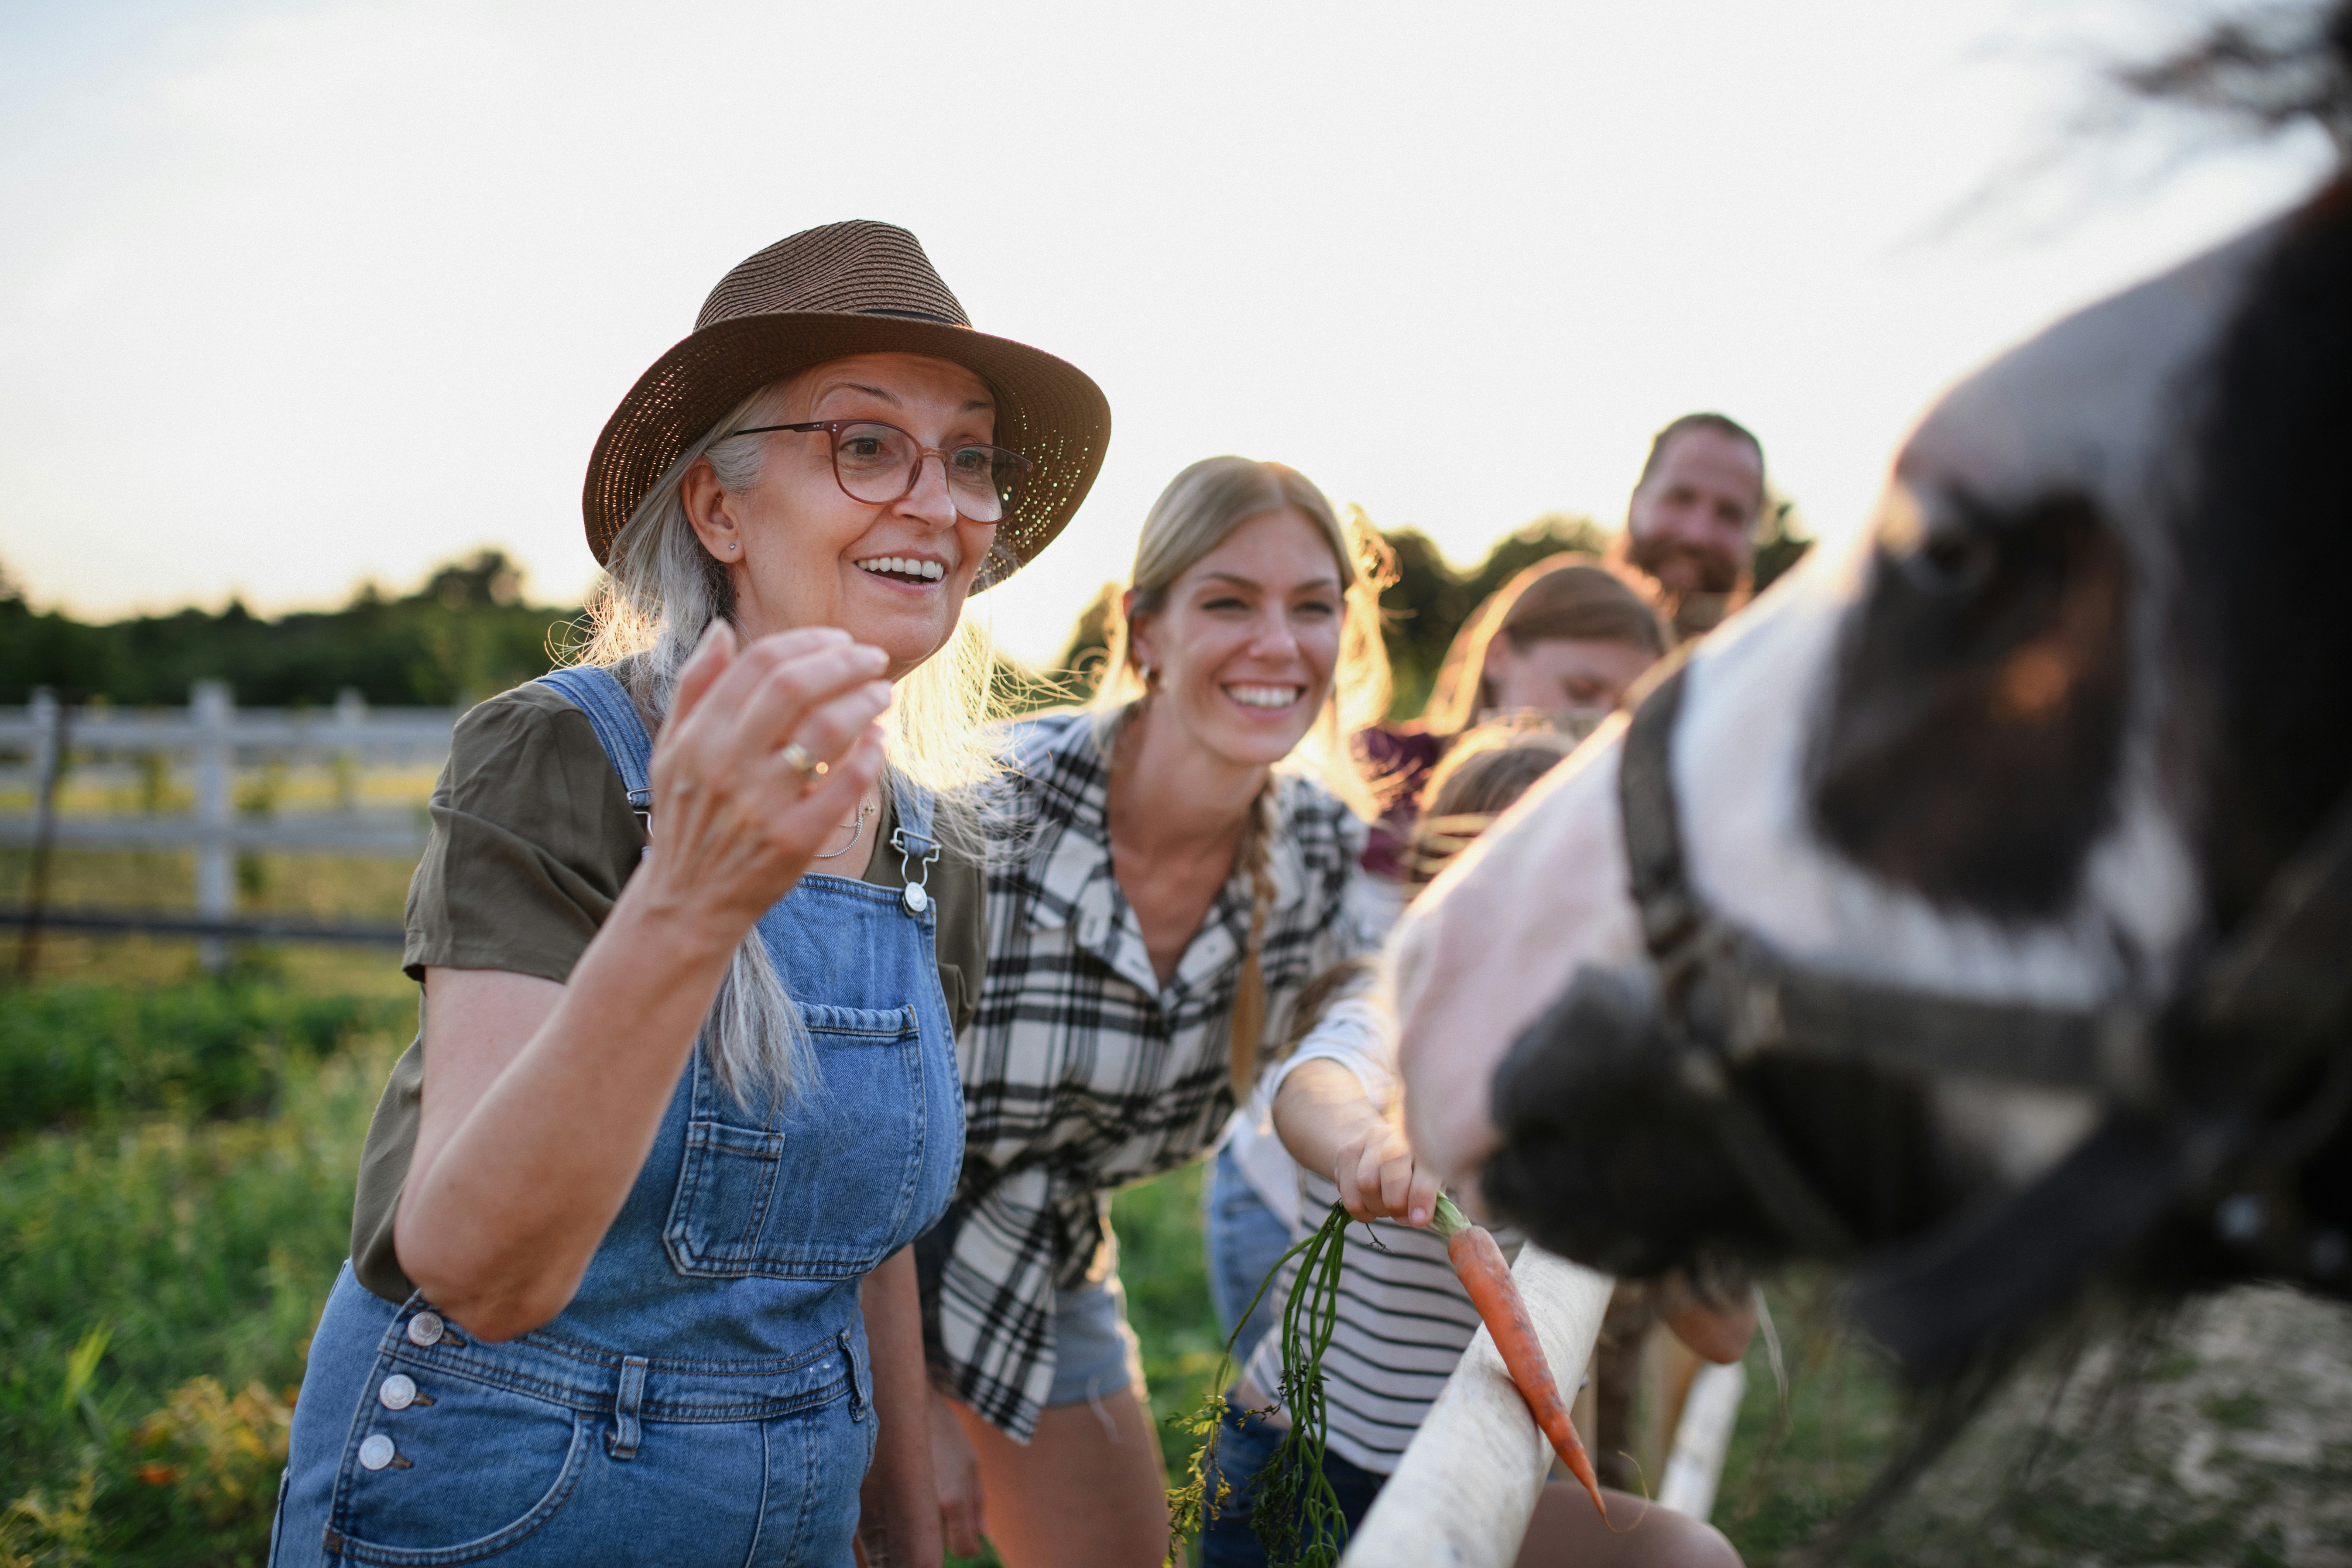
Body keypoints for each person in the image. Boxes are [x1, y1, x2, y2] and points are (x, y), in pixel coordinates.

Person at [272, 221, 1110, 1568]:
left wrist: (899, 1532)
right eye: (866, 443)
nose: (940, 503)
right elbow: (479, 1268)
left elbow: (867, 1228)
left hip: (792, 1519)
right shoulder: (562, 758)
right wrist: (692, 897)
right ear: (719, 510)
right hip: (496, 1500)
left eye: (969, 458)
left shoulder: (922, 839)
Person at [920, 456, 1395, 1568]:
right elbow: (839, 1127)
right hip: (830, 1261)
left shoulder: (1322, 855)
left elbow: (1374, 1032)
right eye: (1229, 601)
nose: (1279, 643)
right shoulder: (989, 806)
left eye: (1313, 607)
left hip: (1040, 1254)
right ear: (1145, 628)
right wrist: (909, 1410)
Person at [1199, 727, 1746, 1568]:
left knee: (1689, 1557)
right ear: (1439, 888)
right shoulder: (1394, 999)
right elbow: (1315, 1086)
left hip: (1493, 1473)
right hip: (1304, 1461)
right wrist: (1369, 1143)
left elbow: (1723, 1331)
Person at [1359, 555, 1666, 881]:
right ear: (1499, 657)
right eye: (1581, 690)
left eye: (1627, 712)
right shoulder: (1375, 768)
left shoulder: (1634, 826)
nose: (1605, 726)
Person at [1611, 412, 1769, 643]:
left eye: (1729, 514)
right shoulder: (1547, 630)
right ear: (1635, 504)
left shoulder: (1784, 674)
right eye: (1681, 499)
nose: (1698, 535)